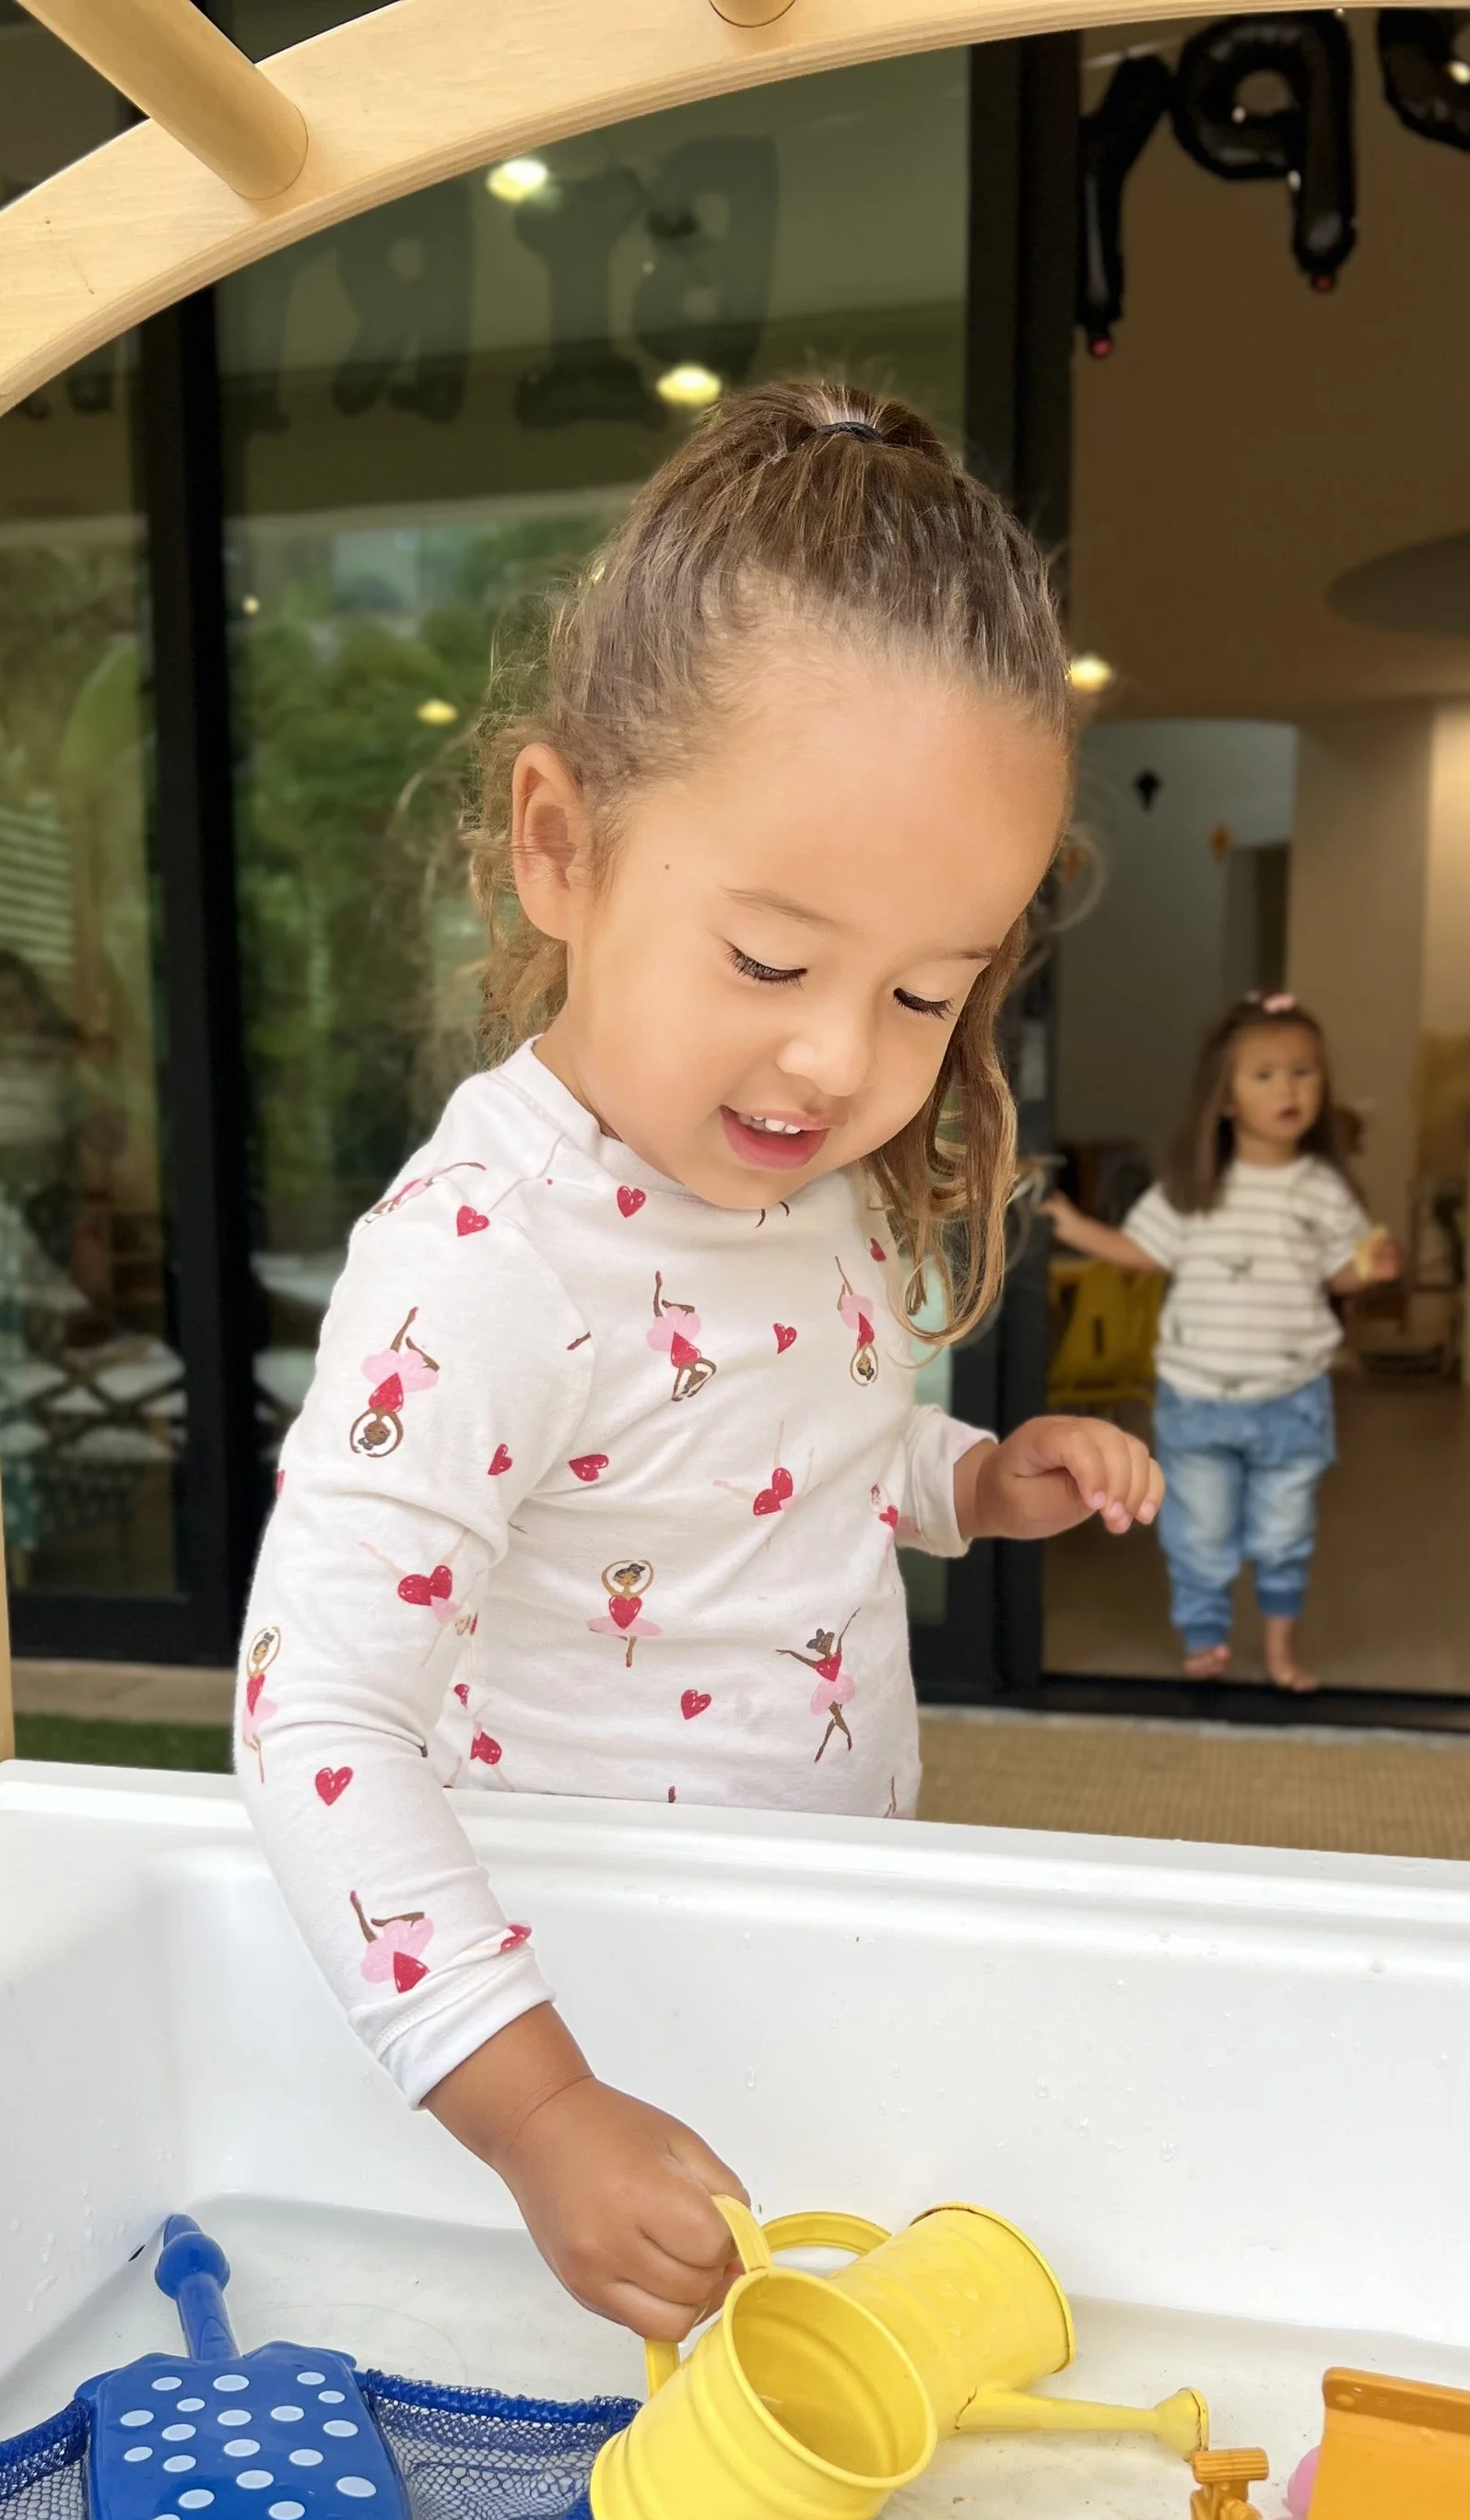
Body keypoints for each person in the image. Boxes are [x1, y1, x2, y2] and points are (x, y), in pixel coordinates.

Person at [237, 382, 1163, 2345]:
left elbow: (789, 1439)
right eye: (770, 962)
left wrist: (965, 1478)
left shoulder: (788, 1178)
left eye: (925, 992)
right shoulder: (484, 1263)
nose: (839, 1058)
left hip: (814, 1931)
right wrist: (537, 2109)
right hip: (582, 2008)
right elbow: (315, 1715)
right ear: (562, 844)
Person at [1044, 992, 1402, 1693]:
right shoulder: (1193, 1185)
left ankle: (1279, 1652)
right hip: (1196, 1398)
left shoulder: (1324, 1189)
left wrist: (1371, 1269)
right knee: (1198, 1534)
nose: (1289, 1088)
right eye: (1265, 1074)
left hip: (1292, 1398)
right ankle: (1206, 1638)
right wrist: (1070, 1224)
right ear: (1227, 1099)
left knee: (1283, 1536)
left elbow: (1338, 1270)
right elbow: (1142, 1251)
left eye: (1303, 1072)